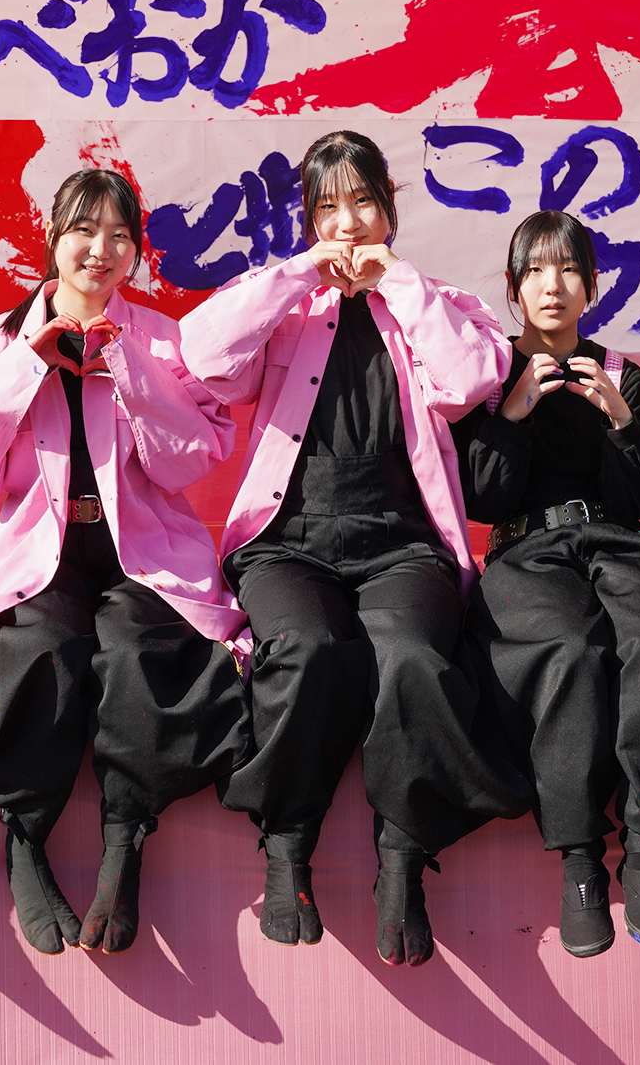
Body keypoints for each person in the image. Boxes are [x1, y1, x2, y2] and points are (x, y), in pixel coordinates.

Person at [181, 130, 529, 967]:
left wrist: (396, 279)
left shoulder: (431, 301)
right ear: (309, 220)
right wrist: (301, 271)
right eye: (328, 209)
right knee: (306, 648)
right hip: (289, 542)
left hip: (402, 543)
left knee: (410, 656)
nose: (347, 224)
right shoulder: (287, 305)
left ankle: (402, 855)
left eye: (362, 203)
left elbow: (472, 378)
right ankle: (286, 846)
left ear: (388, 209)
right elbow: (201, 353)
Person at [0, 169, 250, 956]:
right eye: (83, 230)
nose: (99, 250)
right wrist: (28, 363)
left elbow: (191, 459)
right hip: (41, 551)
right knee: (42, 650)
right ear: (52, 238)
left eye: (118, 237)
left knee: (140, 654)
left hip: (142, 549)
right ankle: (24, 841)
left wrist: (129, 368)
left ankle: (124, 841)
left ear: (135, 252)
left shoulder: (163, 338)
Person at [455, 211, 640, 957]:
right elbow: (480, 496)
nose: (553, 286)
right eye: (536, 272)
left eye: (568, 270)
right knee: (573, 651)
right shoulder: (487, 372)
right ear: (514, 287)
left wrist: (619, 418)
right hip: (525, 552)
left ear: (592, 285)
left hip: (616, 540)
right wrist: (513, 412)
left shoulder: (621, 373)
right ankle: (580, 857)